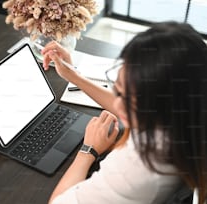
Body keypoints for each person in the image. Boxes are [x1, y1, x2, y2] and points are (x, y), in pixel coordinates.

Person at [41, 21, 207, 204]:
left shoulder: (139, 166)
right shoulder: (190, 109)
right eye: (119, 90)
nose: (118, 106)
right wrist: (73, 76)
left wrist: (88, 150)